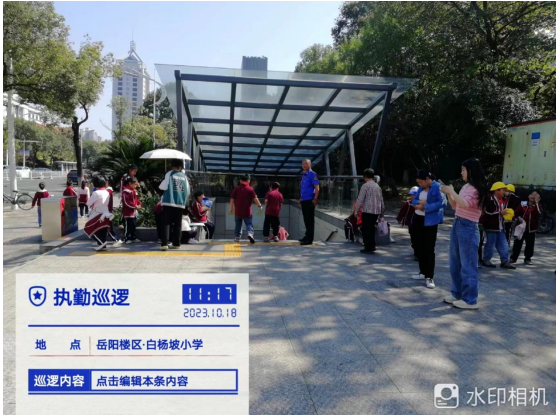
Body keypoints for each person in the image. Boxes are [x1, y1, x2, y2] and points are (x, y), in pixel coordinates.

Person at [440, 158, 486, 309]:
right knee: (455, 262)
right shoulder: (466, 187)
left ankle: (470, 300)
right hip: (458, 223)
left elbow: (466, 204)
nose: (461, 172)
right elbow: (455, 205)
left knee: (468, 265)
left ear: (471, 170)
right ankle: (457, 293)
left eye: (464, 170)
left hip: (468, 226)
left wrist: (452, 191)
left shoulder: (477, 189)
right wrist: (449, 193)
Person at [410, 171, 444, 289]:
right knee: (418, 246)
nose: (419, 184)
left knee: (429, 248)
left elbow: (442, 202)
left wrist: (426, 207)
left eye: (421, 182)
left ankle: (429, 276)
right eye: (418, 183)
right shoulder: (421, 188)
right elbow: (413, 200)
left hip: (430, 220)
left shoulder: (438, 187)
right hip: (418, 218)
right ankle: (422, 272)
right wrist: (419, 203)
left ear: (427, 179)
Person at [480, 182, 516, 269]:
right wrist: (500, 213)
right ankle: (486, 260)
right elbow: (487, 212)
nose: (504, 192)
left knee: (504, 245)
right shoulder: (489, 198)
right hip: (491, 226)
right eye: (503, 190)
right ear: (497, 190)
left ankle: (505, 261)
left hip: (500, 227)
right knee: (490, 244)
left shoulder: (500, 200)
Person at [159, 159, 189, 250]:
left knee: (166, 223)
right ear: (180, 167)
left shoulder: (169, 174)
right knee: (178, 224)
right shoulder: (184, 176)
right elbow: (188, 191)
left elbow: (163, 186)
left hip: (169, 201)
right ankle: (176, 243)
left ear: (172, 166)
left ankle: (164, 243)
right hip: (180, 203)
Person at [353, 168, 384, 255]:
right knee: (371, 228)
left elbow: (360, 199)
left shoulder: (365, 186)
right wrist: (382, 212)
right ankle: (372, 246)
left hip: (367, 211)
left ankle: (368, 247)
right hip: (376, 211)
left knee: (366, 229)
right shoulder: (377, 186)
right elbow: (381, 200)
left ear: (366, 177)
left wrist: (356, 210)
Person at [84, 176, 119, 251]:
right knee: (103, 230)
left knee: (88, 228)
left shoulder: (96, 193)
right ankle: (102, 244)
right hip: (106, 213)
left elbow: (88, 203)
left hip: (97, 213)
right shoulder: (107, 192)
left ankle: (101, 243)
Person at [510, 191, 542, 265]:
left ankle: (527, 258)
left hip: (531, 229)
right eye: (531, 194)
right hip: (521, 228)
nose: (533, 196)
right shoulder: (523, 204)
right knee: (517, 243)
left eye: (535, 195)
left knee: (530, 244)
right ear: (528, 195)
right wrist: (519, 219)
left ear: (539, 198)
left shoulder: (538, 206)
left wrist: (537, 203)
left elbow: (540, 214)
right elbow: (516, 213)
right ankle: (513, 258)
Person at [230, 174, 262, 243]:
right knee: (249, 223)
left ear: (240, 181)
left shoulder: (236, 189)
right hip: (247, 211)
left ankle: (237, 237)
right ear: (248, 181)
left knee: (238, 224)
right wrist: (259, 206)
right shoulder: (250, 189)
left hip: (238, 211)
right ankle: (250, 233)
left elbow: (232, 199)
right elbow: (255, 198)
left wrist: (231, 208)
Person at [299, 159, 320, 245]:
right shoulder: (304, 175)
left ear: (310, 165)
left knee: (309, 220)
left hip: (310, 200)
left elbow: (317, 188)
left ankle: (309, 239)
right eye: (303, 164)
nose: (304, 165)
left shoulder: (312, 174)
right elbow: (303, 189)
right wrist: (301, 198)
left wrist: (315, 199)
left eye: (306, 164)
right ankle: (307, 235)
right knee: (306, 219)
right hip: (304, 200)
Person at [396, 186, 419, 258]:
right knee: (413, 236)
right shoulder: (408, 203)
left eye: (414, 194)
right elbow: (402, 211)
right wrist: (399, 219)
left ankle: (417, 252)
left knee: (418, 237)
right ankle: (415, 249)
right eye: (411, 194)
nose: (412, 196)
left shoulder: (422, 203)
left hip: (419, 223)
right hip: (411, 223)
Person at [121, 176, 142, 243]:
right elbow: (126, 202)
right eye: (135, 184)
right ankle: (126, 238)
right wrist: (135, 206)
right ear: (130, 183)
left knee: (133, 225)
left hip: (134, 212)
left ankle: (133, 237)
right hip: (128, 213)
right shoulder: (126, 192)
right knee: (128, 226)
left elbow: (137, 199)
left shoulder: (134, 191)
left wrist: (139, 204)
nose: (136, 186)